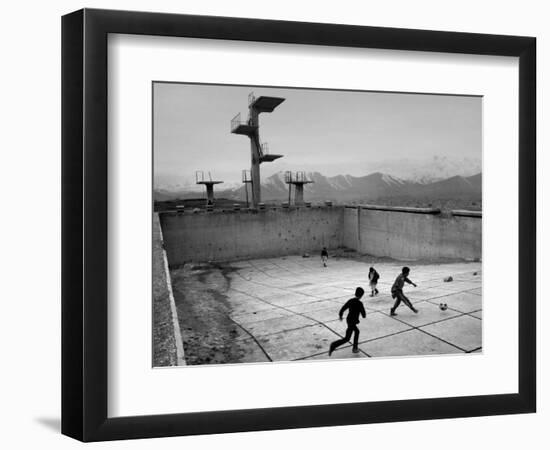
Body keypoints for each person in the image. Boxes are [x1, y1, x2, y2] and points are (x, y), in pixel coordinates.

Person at [329, 287, 366, 356]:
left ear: (355, 293)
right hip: (353, 321)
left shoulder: (351, 300)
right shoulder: (360, 303)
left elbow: (343, 308)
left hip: (349, 320)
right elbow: (364, 315)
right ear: (361, 295)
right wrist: (362, 311)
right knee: (347, 338)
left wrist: (340, 315)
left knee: (356, 332)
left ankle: (355, 348)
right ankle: (333, 345)